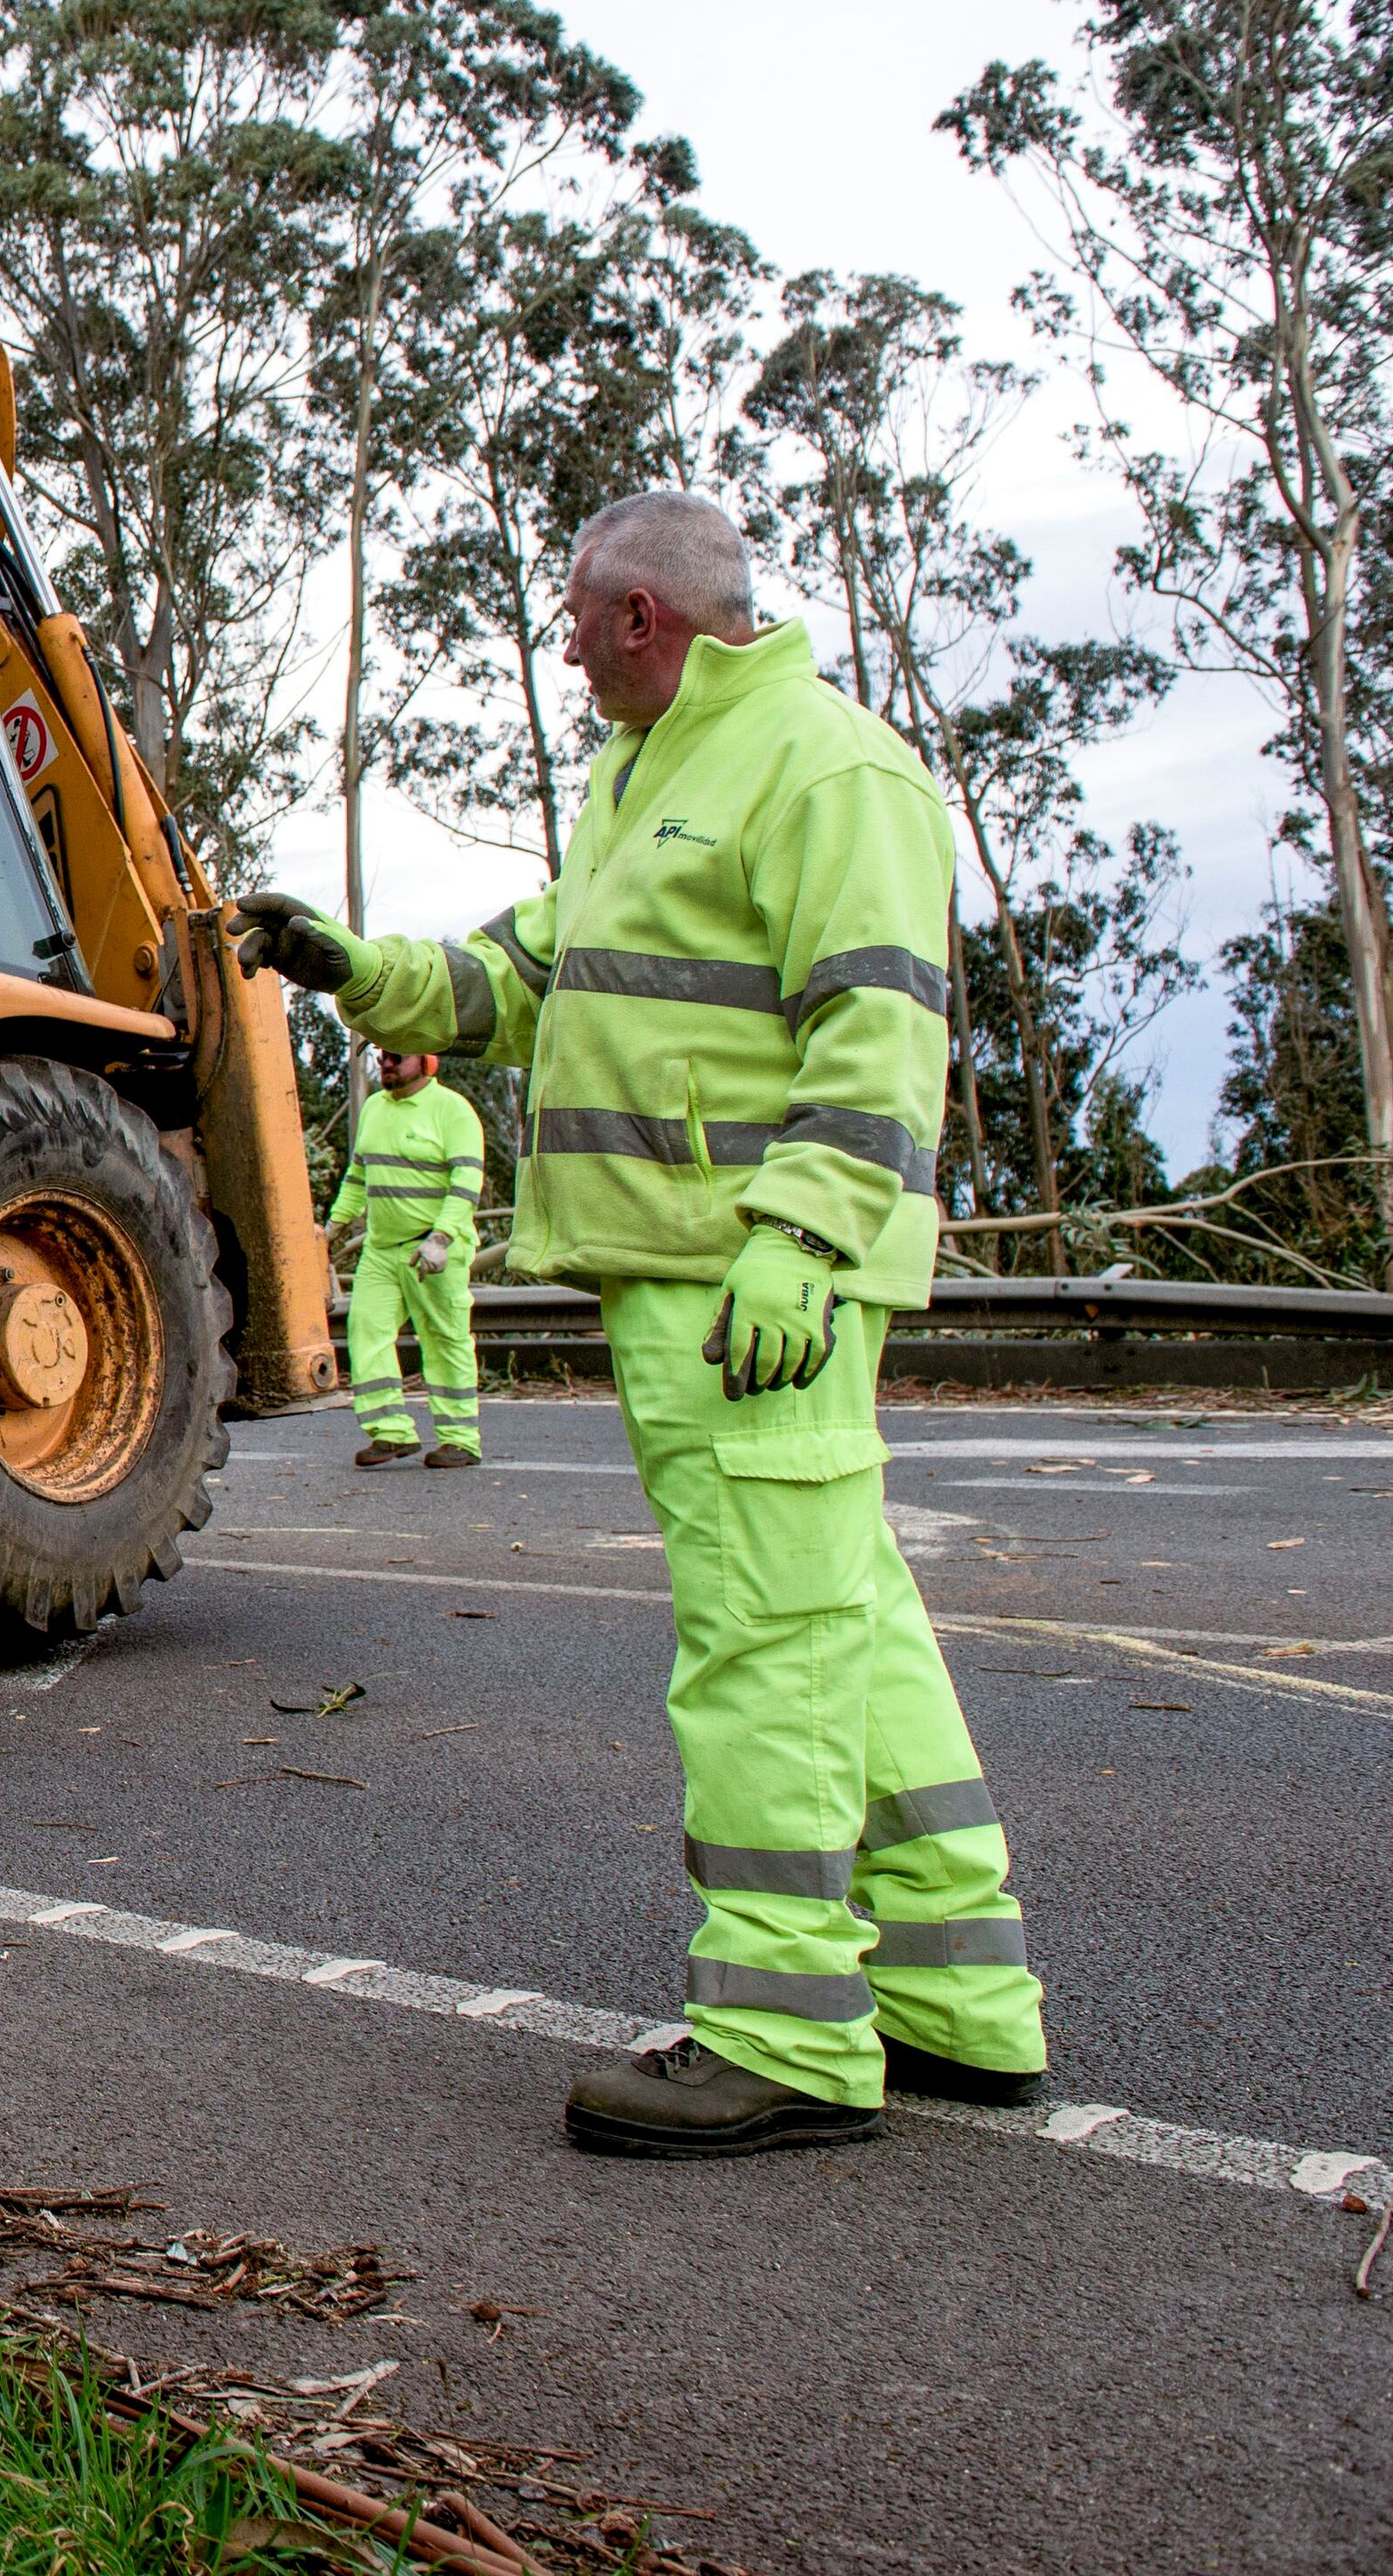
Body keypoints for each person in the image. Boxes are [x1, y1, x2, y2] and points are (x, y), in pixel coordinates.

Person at [232, 489, 1049, 2160]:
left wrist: (803, 1239)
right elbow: (522, 980)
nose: (566, 648)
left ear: (641, 620)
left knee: (766, 1636)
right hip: (693, 1275)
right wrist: (347, 967)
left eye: (576, 622)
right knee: (849, 1620)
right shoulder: (645, 778)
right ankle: (959, 2000)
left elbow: (879, 1027)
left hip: (759, 1285)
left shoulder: (824, 767)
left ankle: (785, 2029)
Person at [329, 1048, 483, 1470]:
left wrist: (441, 1238)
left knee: (444, 1339)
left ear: (427, 1062)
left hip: (433, 1249)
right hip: (381, 1249)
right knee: (365, 1328)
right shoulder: (376, 1108)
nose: (387, 1063)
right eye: (382, 1056)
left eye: (397, 1056)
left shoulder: (452, 1111)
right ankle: (390, 1432)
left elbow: (467, 1182)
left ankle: (460, 1440)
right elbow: (358, 1176)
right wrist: (332, 1229)